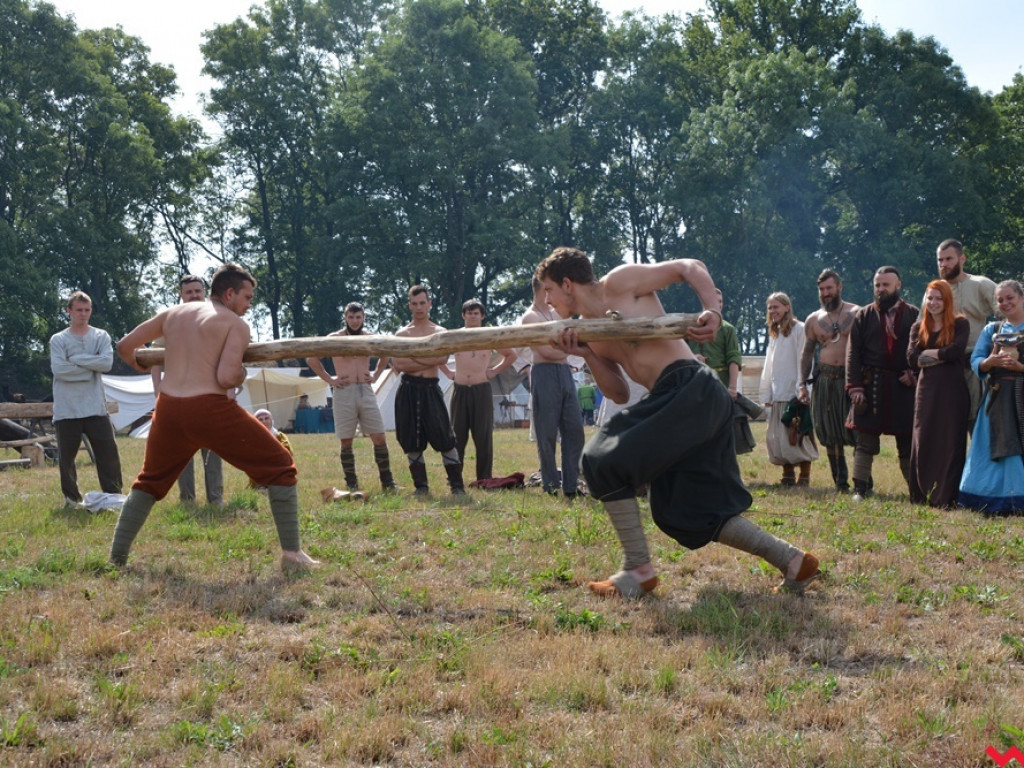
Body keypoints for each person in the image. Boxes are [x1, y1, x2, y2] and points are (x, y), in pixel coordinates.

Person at [537, 247, 820, 598]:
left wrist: (713, 312)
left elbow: (690, 267)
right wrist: (588, 354)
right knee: (681, 510)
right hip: (681, 402)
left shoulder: (620, 283)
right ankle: (793, 560)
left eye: (548, 290)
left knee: (598, 458)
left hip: (690, 387)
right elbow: (620, 393)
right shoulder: (588, 332)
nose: (547, 301)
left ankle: (637, 571)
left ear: (566, 283)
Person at [110, 263, 317, 571]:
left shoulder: (172, 314)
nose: (249, 306)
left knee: (149, 481)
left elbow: (125, 346)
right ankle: (292, 555)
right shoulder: (234, 324)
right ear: (230, 293)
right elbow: (225, 377)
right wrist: (241, 372)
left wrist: (139, 365)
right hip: (208, 408)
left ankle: (116, 559)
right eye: (247, 298)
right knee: (280, 466)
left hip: (168, 408)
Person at [845, 266, 920, 501]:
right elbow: (853, 353)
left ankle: (915, 490)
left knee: (907, 442)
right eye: (877, 285)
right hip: (871, 385)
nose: (881, 289)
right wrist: (855, 387)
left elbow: (923, 348)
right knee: (865, 442)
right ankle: (860, 489)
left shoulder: (914, 314)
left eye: (886, 285)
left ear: (898, 285)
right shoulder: (864, 315)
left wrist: (914, 374)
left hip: (903, 386)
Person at [306, 302, 397, 492]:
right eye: (351, 317)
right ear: (345, 318)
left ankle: (388, 483)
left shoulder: (370, 337)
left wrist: (376, 375)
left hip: (365, 389)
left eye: (358, 317)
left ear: (363, 317)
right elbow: (311, 358)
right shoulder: (334, 338)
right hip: (344, 390)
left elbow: (386, 355)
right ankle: (352, 483)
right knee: (346, 440)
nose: (355, 321)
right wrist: (330, 380)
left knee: (379, 436)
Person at [382, 286, 464, 496]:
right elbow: (399, 364)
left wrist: (413, 358)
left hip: (430, 389)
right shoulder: (402, 334)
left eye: (422, 303)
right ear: (409, 305)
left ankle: (457, 486)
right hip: (408, 389)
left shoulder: (439, 332)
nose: (419, 307)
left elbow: (442, 359)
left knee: (444, 437)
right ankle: (421, 487)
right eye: (415, 303)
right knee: (411, 439)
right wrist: (428, 359)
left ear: (429, 304)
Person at [150, 275, 224, 507]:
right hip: (178, 396)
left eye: (197, 291)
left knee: (212, 451)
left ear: (204, 292)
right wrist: (157, 392)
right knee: (182, 452)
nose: (194, 295)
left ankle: (216, 499)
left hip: (210, 395)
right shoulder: (170, 321)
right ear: (181, 295)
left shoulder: (217, 319)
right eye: (189, 291)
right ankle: (187, 500)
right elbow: (154, 359)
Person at [49, 291, 123, 507]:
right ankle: (71, 499)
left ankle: (114, 497)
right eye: (79, 310)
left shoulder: (101, 336)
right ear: (69, 311)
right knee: (67, 459)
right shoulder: (59, 339)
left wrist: (77, 360)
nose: (83, 314)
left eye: (87, 310)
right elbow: (60, 370)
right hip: (67, 409)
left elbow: (106, 364)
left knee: (108, 454)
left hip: (96, 407)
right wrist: (91, 367)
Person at [958, 279, 1024, 514]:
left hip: (1021, 395)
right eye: (1000, 300)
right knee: (989, 447)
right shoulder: (992, 330)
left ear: (1021, 298)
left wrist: (1020, 368)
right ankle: (987, 498)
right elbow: (976, 360)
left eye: (1010, 298)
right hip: (996, 399)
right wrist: (990, 362)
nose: (1005, 303)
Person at [519, 276, 586, 498]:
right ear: (541, 288)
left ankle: (570, 483)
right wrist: (569, 350)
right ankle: (550, 484)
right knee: (546, 432)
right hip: (545, 373)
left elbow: (570, 340)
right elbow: (545, 352)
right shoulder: (530, 317)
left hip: (565, 373)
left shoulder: (555, 314)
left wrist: (566, 350)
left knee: (574, 430)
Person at [906, 280, 970, 508]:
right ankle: (922, 494)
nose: (933, 303)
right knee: (923, 438)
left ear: (947, 300)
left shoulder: (960, 324)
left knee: (949, 440)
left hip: (952, 391)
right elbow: (913, 360)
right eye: (930, 298)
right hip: (926, 390)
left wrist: (930, 354)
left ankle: (945, 496)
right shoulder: (918, 327)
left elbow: (956, 352)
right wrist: (940, 355)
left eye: (938, 298)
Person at [439, 299, 516, 482]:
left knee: (483, 435)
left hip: (481, 388)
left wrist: (494, 371)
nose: (472, 316)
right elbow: (438, 354)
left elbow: (511, 355)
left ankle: (484, 477)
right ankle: (455, 478)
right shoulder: (455, 336)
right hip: (460, 389)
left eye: (476, 313)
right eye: (469, 313)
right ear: (463, 315)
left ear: (482, 316)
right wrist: (448, 373)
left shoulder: (490, 335)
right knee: (457, 435)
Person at [798, 270, 859, 492]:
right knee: (829, 433)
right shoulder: (813, 320)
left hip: (850, 379)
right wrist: (802, 384)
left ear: (839, 287)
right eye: (822, 290)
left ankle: (862, 482)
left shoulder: (856, 313)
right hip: (824, 380)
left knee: (857, 431)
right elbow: (807, 353)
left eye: (829, 288)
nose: (825, 293)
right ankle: (840, 484)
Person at [936, 239, 999, 432]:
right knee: (947, 428)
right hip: (943, 368)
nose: (944, 264)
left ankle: (978, 463)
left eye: (949, 259)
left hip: (973, 366)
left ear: (962, 258)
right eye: (940, 260)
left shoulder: (980, 284)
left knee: (977, 423)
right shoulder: (934, 291)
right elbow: (922, 326)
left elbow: (1008, 314)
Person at [760, 293, 818, 486]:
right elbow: (769, 364)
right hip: (778, 392)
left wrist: (803, 388)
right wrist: (767, 392)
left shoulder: (799, 329)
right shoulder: (774, 332)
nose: (772, 311)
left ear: (786, 307)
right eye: (770, 308)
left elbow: (806, 358)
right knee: (778, 437)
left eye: (776, 307)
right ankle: (788, 474)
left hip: (795, 392)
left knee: (798, 434)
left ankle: (804, 476)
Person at [250, 408, 293, 491]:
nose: (264, 421)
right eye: (260, 419)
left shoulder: (280, 436)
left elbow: (288, 452)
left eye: (266, 418)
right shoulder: (253, 438)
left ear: (271, 420)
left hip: (278, 468)